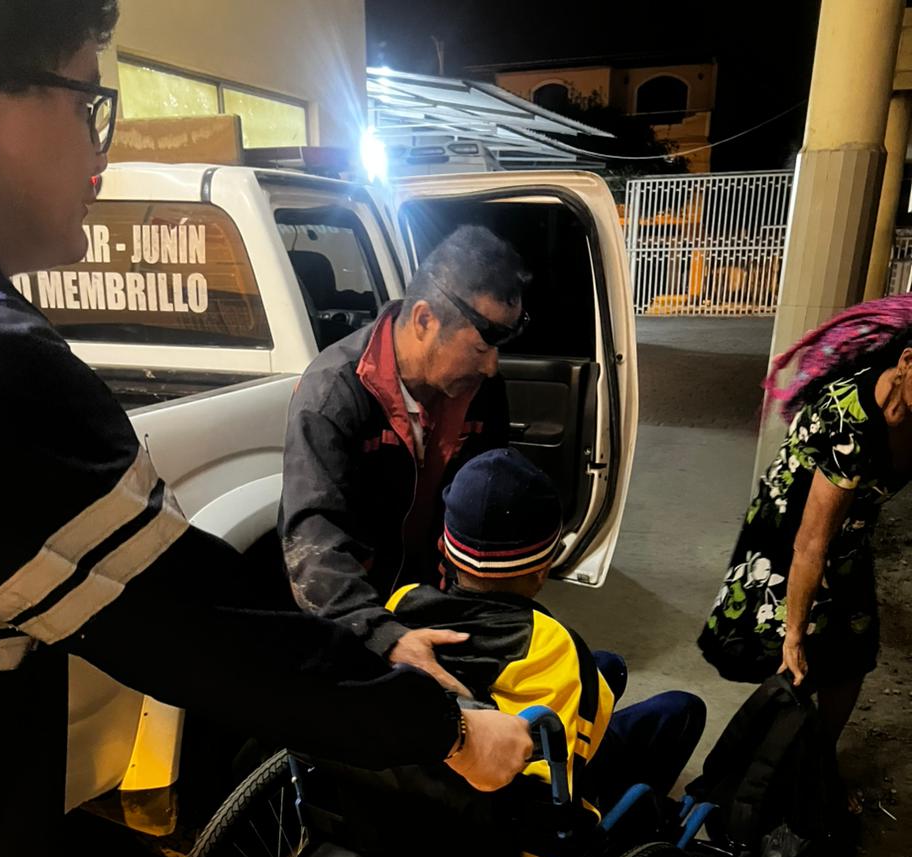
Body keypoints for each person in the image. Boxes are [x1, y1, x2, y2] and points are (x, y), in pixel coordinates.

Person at [0, 0, 532, 857]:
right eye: (90, 104)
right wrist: (441, 724)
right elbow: (211, 626)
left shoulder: (474, 397)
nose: (105, 154)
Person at [278, 224, 529, 694]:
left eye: (498, 347)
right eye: (481, 346)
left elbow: (484, 509)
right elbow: (314, 544)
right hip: (359, 614)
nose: (492, 365)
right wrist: (383, 636)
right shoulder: (333, 394)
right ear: (424, 320)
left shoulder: (482, 391)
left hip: (436, 602)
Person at [388, 449, 708, 816]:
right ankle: (638, 815)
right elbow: (557, 790)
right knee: (682, 709)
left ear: (443, 547)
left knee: (609, 665)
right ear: (543, 568)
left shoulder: (401, 604)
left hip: (423, 794)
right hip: (527, 821)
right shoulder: (553, 646)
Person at [699, 297, 912, 754]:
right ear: (907, 362)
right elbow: (811, 544)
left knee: (853, 652)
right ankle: (762, 766)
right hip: (791, 528)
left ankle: (816, 762)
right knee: (788, 650)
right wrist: (795, 635)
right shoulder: (848, 416)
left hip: (850, 531)